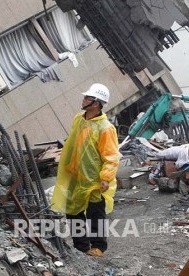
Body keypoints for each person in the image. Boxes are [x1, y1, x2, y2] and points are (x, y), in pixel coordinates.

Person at [51, 83, 120, 257]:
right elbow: (73, 144)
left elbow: (111, 156)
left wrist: (106, 177)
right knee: (73, 211)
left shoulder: (106, 128)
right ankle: (81, 247)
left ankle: (98, 247)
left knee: (95, 213)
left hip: (94, 179)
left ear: (96, 103)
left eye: (87, 98)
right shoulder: (79, 119)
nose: (83, 100)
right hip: (76, 176)